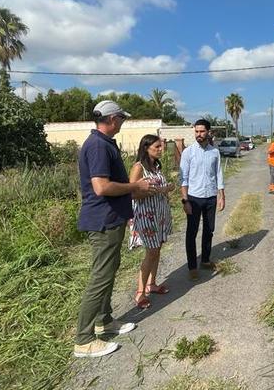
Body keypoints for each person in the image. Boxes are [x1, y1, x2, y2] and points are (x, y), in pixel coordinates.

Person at [73, 100, 154, 358]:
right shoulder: (97, 145)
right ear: (112, 119)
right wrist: (135, 187)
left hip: (111, 218)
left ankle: (104, 322)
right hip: (103, 221)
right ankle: (84, 340)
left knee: (109, 271)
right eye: (122, 118)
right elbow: (101, 187)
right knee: (100, 277)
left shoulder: (103, 143)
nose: (122, 122)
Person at [129, 134, 176, 309]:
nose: (160, 149)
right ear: (146, 148)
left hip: (159, 214)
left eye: (161, 146)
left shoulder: (155, 167)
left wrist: (165, 189)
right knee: (151, 252)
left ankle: (152, 283)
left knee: (157, 250)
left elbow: (157, 188)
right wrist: (160, 190)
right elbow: (132, 193)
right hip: (146, 216)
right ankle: (140, 293)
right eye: (157, 146)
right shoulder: (138, 167)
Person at [179, 119, 225, 280]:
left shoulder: (215, 152)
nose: (199, 134)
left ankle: (205, 259)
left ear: (208, 132)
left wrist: (221, 195)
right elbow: (183, 178)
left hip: (211, 196)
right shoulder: (188, 152)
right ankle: (192, 266)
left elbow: (218, 174)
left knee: (209, 229)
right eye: (196, 131)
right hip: (194, 198)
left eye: (202, 131)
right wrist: (185, 201)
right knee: (192, 232)